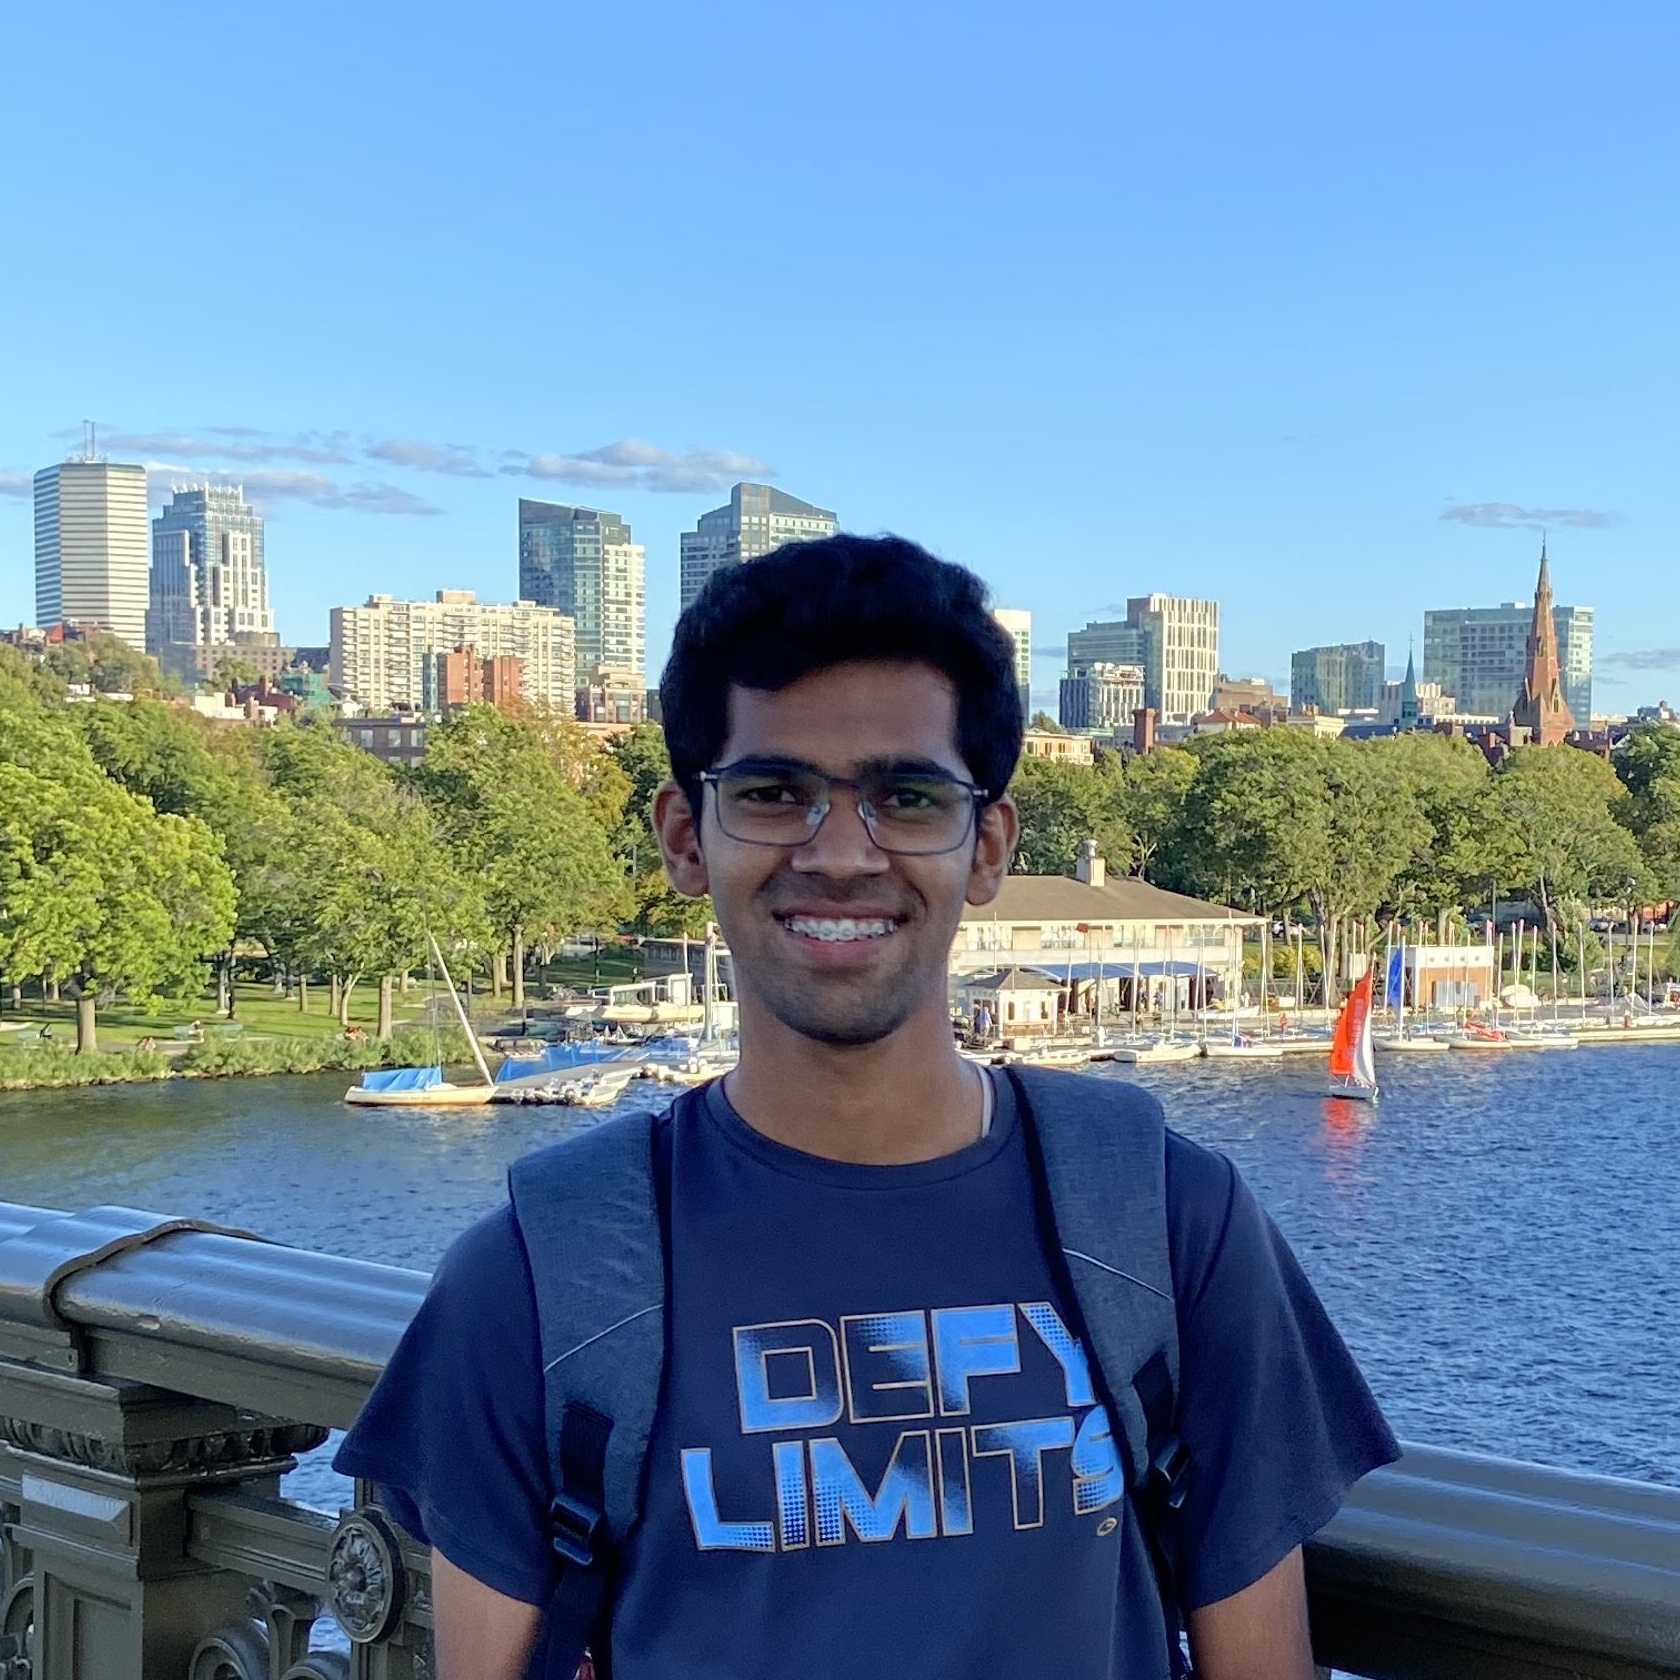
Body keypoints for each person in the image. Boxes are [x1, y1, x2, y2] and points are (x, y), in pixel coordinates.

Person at [335, 535, 1398, 1680]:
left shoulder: (1172, 1222)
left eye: (908, 796)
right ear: (685, 837)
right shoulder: (537, 1274)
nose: (842, 853)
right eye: (774, 793)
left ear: (985, 847)